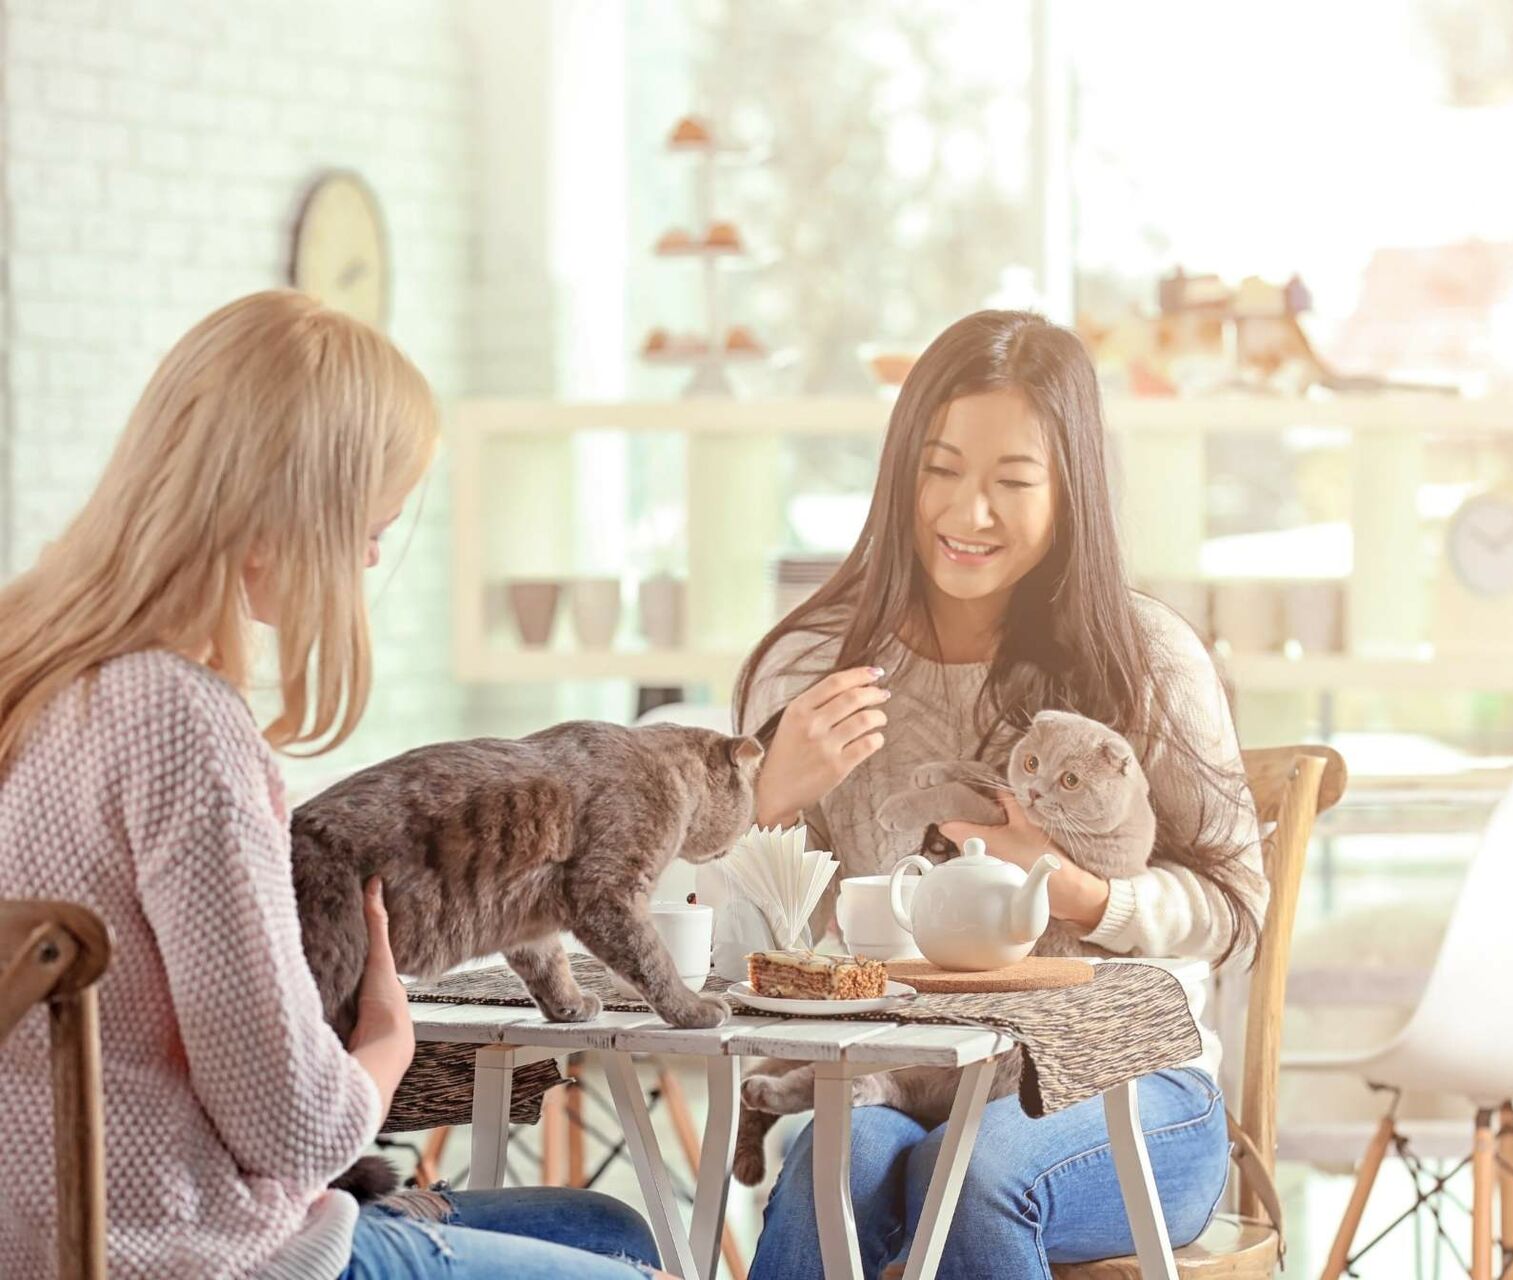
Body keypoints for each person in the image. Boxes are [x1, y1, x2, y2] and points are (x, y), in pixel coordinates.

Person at [0, 291, 665, 1280]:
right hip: (187, 1253)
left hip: (51, 1236)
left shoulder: (37, 678)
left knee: (604, 1225)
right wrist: (385, 1040)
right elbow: (295, 1127)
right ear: (278, 518)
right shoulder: (185, 722)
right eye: (370, 523)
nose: (368, 556)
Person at [735, 309, 1264, 1280]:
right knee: (832, 1159)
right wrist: (767, 801)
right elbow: (749, 957)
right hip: (901, 1080)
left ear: (1070, 492)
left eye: (1011, 481)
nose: (966, 512)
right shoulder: (813, 669)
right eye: (940, 468)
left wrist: (1077, 893)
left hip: (1132, 1088)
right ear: (900, 473)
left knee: (975, 1174)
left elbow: (1238, 911)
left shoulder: (1144, 660)